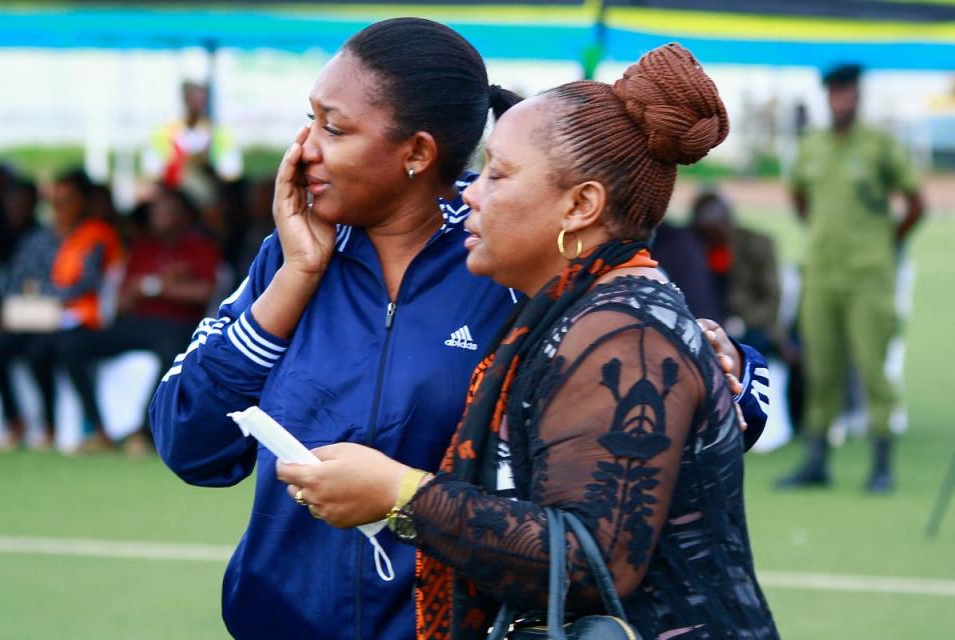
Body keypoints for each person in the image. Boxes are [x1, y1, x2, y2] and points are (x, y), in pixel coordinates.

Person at [151, 19, 770, 640]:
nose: (303, 147)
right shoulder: (290, 256)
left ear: (417, 153)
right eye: (309, 120)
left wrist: (731, 375)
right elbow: (191, 444)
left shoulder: (506, 251)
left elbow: (642, 385)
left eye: (333, 128)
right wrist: (297, 275)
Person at [778, 63, 924, 493]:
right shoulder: (813, 146)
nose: (841, 100)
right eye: (834, 93)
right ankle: (817, 459)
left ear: (858, 97)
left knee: (873, 368)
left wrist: (886, 241)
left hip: (868, 275)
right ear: (827, 98)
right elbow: (799, 196)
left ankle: (881, 462)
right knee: (821, 369)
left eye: (847, 92)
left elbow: (915, 202)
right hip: (822, 272)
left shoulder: (879, 146)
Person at [57, 184, 219, 455]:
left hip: (178, 327)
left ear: (183, 215)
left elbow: (204, 293)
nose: (158, 216)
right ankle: (99, 430)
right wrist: (162, 285)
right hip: (138, 324)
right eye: (155, 211)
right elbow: (124, 300)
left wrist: (153, 288)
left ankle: (143, 432)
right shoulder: (143, 247)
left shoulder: (200, 246)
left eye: (166, 211)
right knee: (71, 345)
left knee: (173, 352)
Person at [49, 169, 124, 452]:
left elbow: (89, 279)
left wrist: (53, 299)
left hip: (95, 319)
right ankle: (44, 426)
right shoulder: (71, 235)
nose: (59, 208)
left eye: (66, 200)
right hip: (65, 318)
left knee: (69, 350)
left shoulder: (97, 233)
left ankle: (97, 428)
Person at [0, 179, 59, 449]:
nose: (18, 210)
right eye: (13, 204)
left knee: (38, 355)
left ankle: (49, 424)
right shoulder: (1, 235)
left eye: (24, 204)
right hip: (12, 317)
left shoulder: (45, 237)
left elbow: (52, 283)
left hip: (45, 318)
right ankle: (14, 420)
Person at [690, 190, 782, 357]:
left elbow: (771, 299)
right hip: (704, 326)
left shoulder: (756, 245)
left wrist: (742, 322)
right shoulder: (693, 250)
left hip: (750, 328)